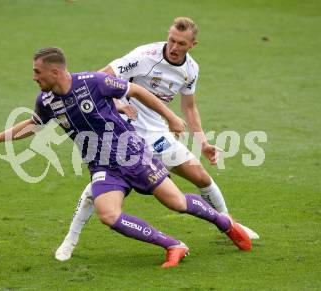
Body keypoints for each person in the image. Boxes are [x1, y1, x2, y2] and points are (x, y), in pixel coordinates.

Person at [0, 47, 251, 268]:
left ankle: (225, 223)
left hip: (133, 154)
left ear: (55, 71)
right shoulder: (46, 101)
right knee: (109, 215)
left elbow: (137, 90)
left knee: (176, 203)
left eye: (37, 72)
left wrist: (171, 116)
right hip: (102, 165)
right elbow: (33, 124)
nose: (34, 77)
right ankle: (173, 245)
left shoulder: (94, 82)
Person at [55, 17, 259, 261]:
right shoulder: (143, 56)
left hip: (156, 135)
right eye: (171, 40)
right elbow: (98, 80)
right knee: (96, 190)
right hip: (124, 135)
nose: (174, 47)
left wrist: (202, 142)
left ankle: (230, 225)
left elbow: (190, 107)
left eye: (181, 43)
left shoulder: (191, 69)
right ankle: (70, 239)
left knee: (201, 177)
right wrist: (118, 104)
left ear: (193, 44)